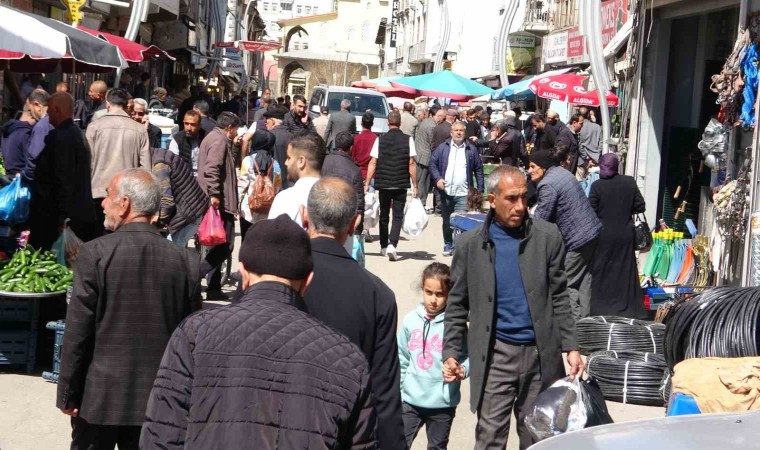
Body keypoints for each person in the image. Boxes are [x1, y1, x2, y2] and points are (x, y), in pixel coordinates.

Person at [141, 214, 377, 448]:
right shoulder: (347, 358)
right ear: (307, 281)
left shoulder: (195, 334)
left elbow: (161, 435)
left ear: (244, 275)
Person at [56, 169, 201, 450]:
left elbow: (78, 331)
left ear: (124, 204)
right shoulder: (185, 261)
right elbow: (191, 340)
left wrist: (67, 394)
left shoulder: (95, 254)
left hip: (99, 401)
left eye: (108, 196)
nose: (103, 204)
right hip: (159, 402)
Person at [442, 165, 583, 450]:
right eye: (511, 198)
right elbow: (457, 304)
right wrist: (451, 351)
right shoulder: (470, 245)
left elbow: (560, 295)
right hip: (495, 356)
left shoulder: (547, 236)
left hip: (540, 357)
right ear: (492, 200)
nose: (520, 206)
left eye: (524, 197)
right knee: (490, 437)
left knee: (537, 438)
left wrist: (571, 346)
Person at [302, 177, 405, 450]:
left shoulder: (276, 278)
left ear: (304, 217)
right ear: (354, 225)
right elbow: (384, 391)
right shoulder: (378, 294)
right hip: (346, 431)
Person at [400, 262, 469, 450]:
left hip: (442, 404)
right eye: (428, 292)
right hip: (410, 401)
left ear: (449, 295)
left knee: (437, 447)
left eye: (439, 294)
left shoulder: (455, 327)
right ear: (422, 289)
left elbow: (469, 356)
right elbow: (401, 358)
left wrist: (462, 370)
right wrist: (400, 391)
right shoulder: (410, 321)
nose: (433, 299)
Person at [528, 149, 602, 319]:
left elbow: (541, 220)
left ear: (543, 167)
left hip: (577, 239)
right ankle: (585, 324)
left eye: (532, 166)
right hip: (592, 233)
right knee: (584, 280)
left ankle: (574, 326)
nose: (529, 170)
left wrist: (527, 218)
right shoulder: (562, 173)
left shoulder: (547, 185)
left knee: (566, 283)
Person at [29, 92, 97, 249]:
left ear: (57, 110)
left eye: (49, 111)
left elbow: (64, 180)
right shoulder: (76, 134)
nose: (47, 116)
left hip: (55, 219)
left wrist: (62, 218)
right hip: (71, 215)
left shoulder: (62, 137)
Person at [86, 88, 151, 236]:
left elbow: (86, 163)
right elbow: (146, 169)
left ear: (107, 104)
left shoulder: (94, 127)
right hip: (127, 196)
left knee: (97, 239)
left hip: (98, 193)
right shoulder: (140, 130)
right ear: (127, 105)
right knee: (123, 239)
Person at [589, 153, 647, 318]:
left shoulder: (597, 186)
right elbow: (640, 206)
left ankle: (602, 308)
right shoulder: (629, 182)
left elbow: (590, 209)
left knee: (603, 271)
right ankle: (627, 309)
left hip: (604, 235)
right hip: (625, 234)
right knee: (624, 270)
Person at [197, 111, 241, 300]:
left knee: (219, 244)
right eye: (235, 129)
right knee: (225, 245)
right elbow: (212, 168)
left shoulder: (217, 139)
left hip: (219, 200)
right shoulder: (219, 140)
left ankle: (214, 287)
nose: (236, 133)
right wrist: (214, 193)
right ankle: (195, 274)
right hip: (219, 202)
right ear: (229, 128)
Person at [364, 110, 418, 261]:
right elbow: (411, 163)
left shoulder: (380, 140)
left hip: (384, 183)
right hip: (400, 183)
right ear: (400, 123)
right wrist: (415, 185)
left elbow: (373, 162)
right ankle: (392, 245)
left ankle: (383, 245)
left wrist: (367, 183)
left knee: (384, 214)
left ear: (388, 123)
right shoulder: (408, 139)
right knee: (398, 215)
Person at [430, 121, 485, 256]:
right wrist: (438, 179)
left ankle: (458, 246)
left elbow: (478, 169)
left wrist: (480, 189)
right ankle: (448, 244)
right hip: (446, 191)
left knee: (461, 221)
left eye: (461, 130)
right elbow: (432, 164)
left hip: (463, 192)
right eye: (456, 130)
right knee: (447, 220)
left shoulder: (471, 149)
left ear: (465, 133)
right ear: (451, 132)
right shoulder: (443, 148)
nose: (459, 133)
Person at [151, 145, 208, 248]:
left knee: (168, 253)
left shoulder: (159, 166)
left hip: (188, 216)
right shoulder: (160, 154)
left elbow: (166, 201)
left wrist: (157, 225)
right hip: (191, 209)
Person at [321, 131, 365, 256]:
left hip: (322, 215)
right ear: (351, 148)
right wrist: (357, 228)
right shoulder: (354, 169)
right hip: (343, 221)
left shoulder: (323, 162)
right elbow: (359, 203)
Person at [267, 136, 324, 223]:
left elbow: (272, 231)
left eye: (288, 158)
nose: (286, 163)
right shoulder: (338, 198)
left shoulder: (285, 199)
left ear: (301, 161)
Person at [238, 129, 278, 238]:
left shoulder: (248, 160)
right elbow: (277, 188)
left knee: (246, 239)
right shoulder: (275, 163)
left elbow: (241, 186)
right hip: (267, 210)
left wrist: (237, 206)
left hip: (248, 210)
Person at [21, 89, 54, 182]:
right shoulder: (55, 120)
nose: (31, 115)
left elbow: (34, 160)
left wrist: (24, 176)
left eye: (30, 110)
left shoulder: (42, 126)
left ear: (37, 105)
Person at [168, 109, 206, 176]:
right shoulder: (177, 139)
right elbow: (173, 161)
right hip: (184, 177)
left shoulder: (206, 138)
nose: (189, 128)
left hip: (202, 176)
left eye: (193, 125)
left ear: (199, 126)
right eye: (186, 124)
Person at [0, 105, 35, 176]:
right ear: (31, 113)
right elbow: (30, 161)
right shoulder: (26, 133)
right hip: (21, 178)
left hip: (8, 177)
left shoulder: (8, 130)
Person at [414, 105, 437, 206]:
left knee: (421, 181)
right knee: (423, 182)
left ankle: (420, 202)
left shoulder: (425, 121)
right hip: (425, 156)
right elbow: (432, 142)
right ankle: (421, 203)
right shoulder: (431, 125)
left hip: (420, 154)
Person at [265, 105, 293, 188]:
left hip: (272, 180)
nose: (266, 125)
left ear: (273, 122)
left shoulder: (268, 136)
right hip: (288, 180)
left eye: (267, 122)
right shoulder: (291, 136)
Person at [578, 106, 602, 178]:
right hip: (594, 160)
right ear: (588, 114)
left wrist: (585, 156)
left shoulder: (579, 127)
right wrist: (597, 155)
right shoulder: (597, 127)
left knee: (580, 181)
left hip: (582, 160)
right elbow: (601, 143)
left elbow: (579, 144)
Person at [352, 111, 377, 180]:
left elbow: (352, 156)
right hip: (372, 175)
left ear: (361, 123)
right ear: (372, 124)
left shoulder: (356, 138)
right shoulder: (376, 139)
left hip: (358, 173)